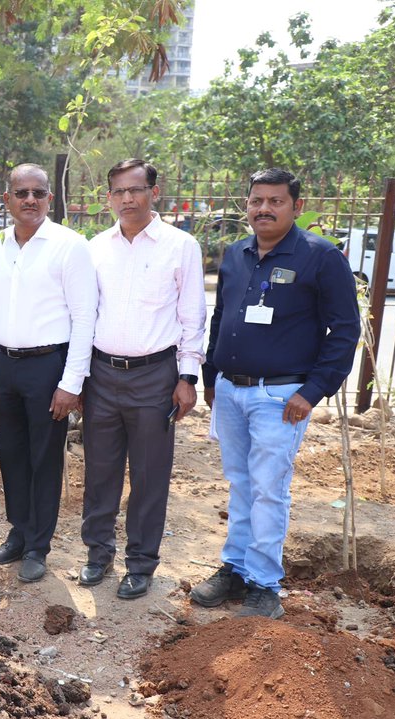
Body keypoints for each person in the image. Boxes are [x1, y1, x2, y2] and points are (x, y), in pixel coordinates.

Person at [192, 168, 360, 619]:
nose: (264, 209)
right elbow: (221, 317)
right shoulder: (235, 253)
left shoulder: (321, 257)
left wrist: (314, 391)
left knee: (269, 488)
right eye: (256, 200)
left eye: (275, 201)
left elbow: (344, 332)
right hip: (230, 392)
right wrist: (211, 378)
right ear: (246, 204)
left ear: (296, 207)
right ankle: (235, 570)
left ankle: (264, 585)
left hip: (282, 398)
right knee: (241, 484)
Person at [80, 159, 207, 599]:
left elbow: (193, 316)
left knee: (150, 475)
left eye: (136, 190)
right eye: (118, 191)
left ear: (155, 191)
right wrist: (78, 376)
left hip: (156, 375)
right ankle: (98, 554)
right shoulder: (95, 247)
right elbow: (83, 315)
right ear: (109, 196)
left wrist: (187, 376)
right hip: (101, 374)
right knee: (99, 472)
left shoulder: (180, 245)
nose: (127, 199)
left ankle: (141, 564)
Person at [0, 164, 97, 582]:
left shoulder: (70, 246)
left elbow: (84, 318)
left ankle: (38, 547)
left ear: (49, 200)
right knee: (10, 453)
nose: (29, 200)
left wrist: (70, 384)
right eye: (21, 193)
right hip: (3, 363)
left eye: (38, 193)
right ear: (6, 200)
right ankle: (18, 534)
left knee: (44, 457)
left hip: (48, 367)